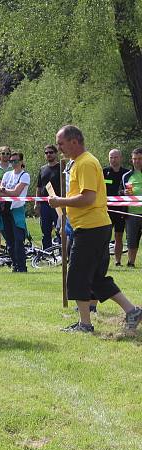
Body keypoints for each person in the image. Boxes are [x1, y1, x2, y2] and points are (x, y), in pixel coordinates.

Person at [47, 125, 142, 333]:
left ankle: (85, 324)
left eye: (61, 143)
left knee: (77, 275)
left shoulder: (86, 163)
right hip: (93, 227)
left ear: (74, 141)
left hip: (91, 228)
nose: (59, 148)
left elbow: (88, 198)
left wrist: (59, 201)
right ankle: (132, 310)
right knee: (96, 278)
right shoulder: (78, 162)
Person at [0, 151, 31, 272]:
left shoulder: (25, 175)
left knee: (18, 239)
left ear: (21, 162)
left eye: (16, 161)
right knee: (9, 240)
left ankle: (22, 266)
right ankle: (15, 265)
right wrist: (4, 190)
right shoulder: (7, 174)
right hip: (4, 209)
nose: (14, 163)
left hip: (17, 210)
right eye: (11, 161)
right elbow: (0, 191)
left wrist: (4, 189)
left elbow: (16, 193)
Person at [104, 148, 130, 266]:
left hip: (121, 209)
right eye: (111, 157)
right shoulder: (103, 172)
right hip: (106, 209)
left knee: (119, 235)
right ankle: (103, 261)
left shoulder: (127, 173)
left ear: (121, 158)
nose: (113, 160)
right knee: (105, 236)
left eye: (116, 157)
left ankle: (118, 261)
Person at [36, 145, 62, 250]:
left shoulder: (61, 167)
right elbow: (38, 187)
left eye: (51, 152)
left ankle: (62, 252)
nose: (48, 155)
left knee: (60, 229)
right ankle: (46, 252)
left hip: (58, 204)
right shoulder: (42, 169)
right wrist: (36, 203)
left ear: (56, 153)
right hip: (44, 204)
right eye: (46, 153)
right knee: (45, 230)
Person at [121, 148, 142, 268]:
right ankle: (131, 263)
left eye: (139, 159)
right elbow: (119, 192)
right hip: (131, 213)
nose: (137, 161)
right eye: (135, 159)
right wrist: (124, 192)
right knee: (131, 239)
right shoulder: (126, 176)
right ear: (131, 160)